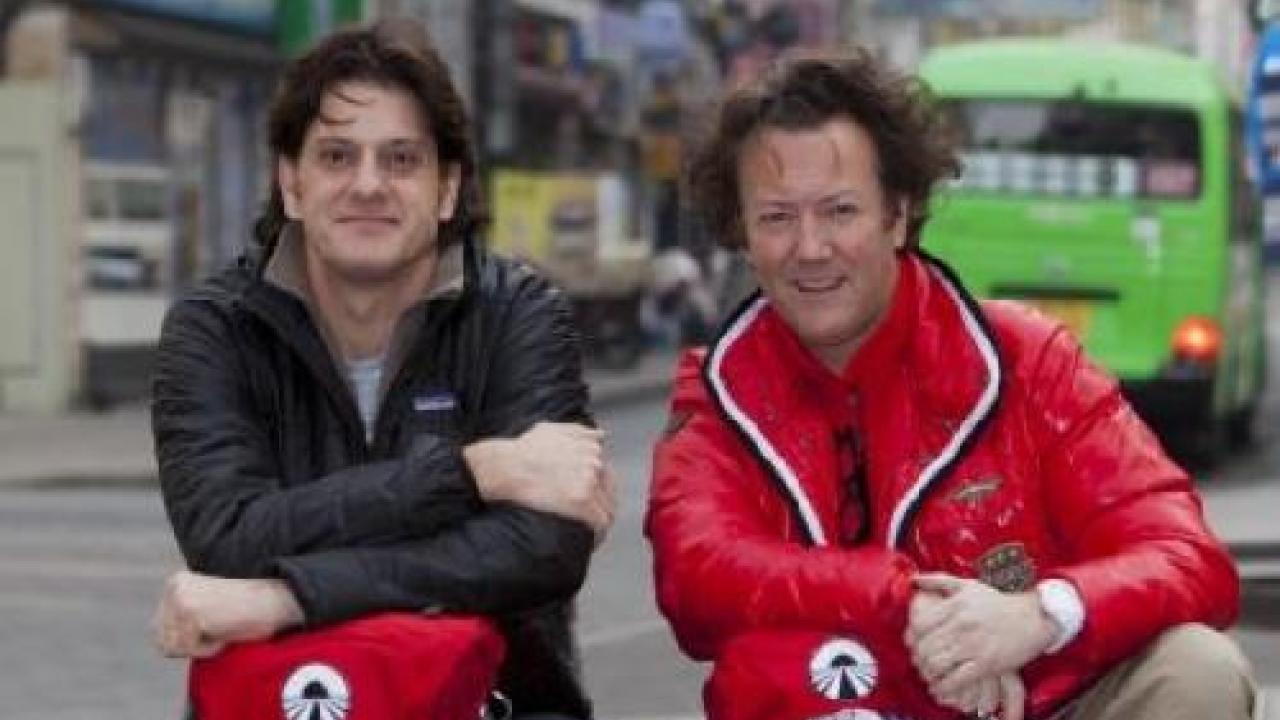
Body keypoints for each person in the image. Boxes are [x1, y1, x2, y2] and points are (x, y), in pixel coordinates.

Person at [646, 50, 1255, 720]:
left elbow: (1187, 556)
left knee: (1198, 669)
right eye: (777, 218)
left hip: (1034, 697)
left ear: (898, 213)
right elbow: (695, 579)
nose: (811, 247)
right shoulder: (718, 391)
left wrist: (1038, 615)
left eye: (840, 211)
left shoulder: (1028, 359)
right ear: (741, 231)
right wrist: (906, 602)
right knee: (765, 662)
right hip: (837, 698)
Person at [149, 19, 615, 719]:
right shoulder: (215, 329)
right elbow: (229, 537)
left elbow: (539, 550)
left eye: (401, 159)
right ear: (292, 183)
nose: (368, 185)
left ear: (447, 187)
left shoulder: (519, 315)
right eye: (337, 156)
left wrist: (288, 596)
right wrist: (472, 474)